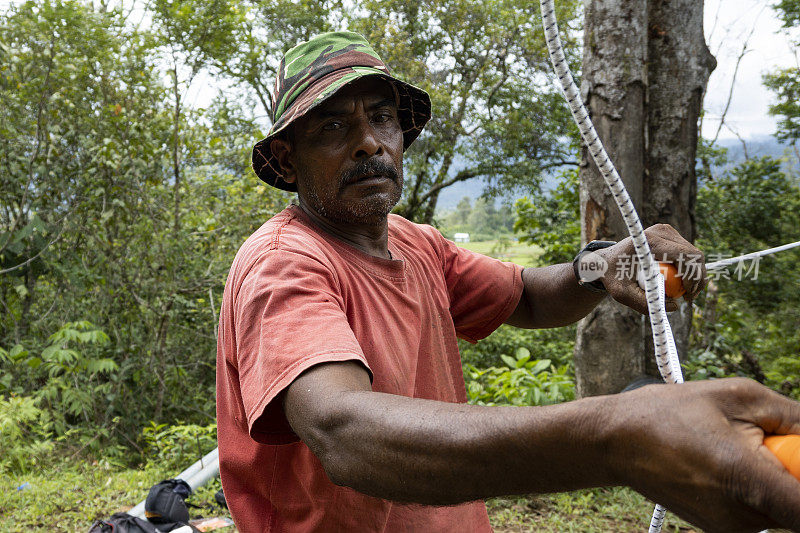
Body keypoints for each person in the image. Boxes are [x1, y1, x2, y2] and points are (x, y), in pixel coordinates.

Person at [216, 31, 800, 533]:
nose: (369, 141)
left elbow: (527, 294)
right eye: (333, 127)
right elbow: (345, 431)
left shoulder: (417, 243)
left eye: (382, 116)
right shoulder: (283, 264)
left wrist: (602, 264)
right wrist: (619, 437)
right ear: (289, 162)